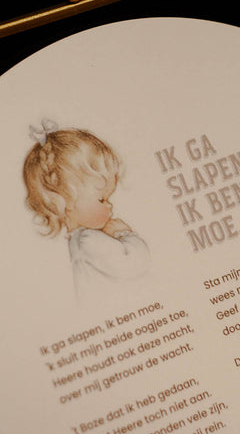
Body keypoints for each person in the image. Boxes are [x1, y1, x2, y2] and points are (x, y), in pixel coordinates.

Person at [23, 120, 149, 301]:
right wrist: (125, 234)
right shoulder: (88, 239)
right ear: (65, 203)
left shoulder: (80, 240)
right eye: (101, 199)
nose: (110, 206)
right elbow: (133, 264)